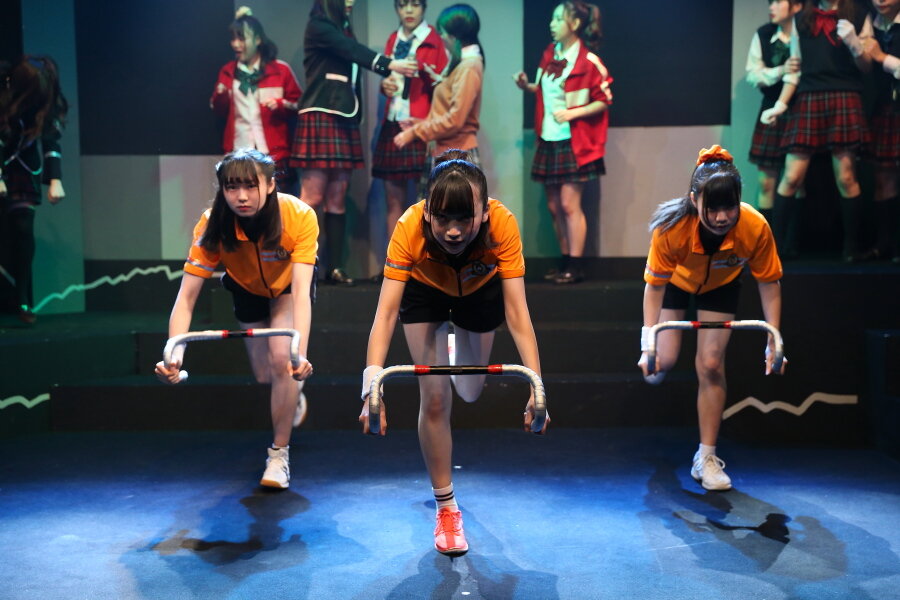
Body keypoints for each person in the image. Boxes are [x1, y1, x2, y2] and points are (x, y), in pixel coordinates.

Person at [359, 150, 547, 555]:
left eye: (465, 218)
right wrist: (370, 388)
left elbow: (518, 313)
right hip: (425, 293)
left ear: (484, 212)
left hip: (479, 293)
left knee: (470, 391)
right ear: (428, 211)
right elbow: (385, 314)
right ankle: (446, 507)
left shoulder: (502, 225)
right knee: (435, 398)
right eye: (443, 218)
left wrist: (537, 387)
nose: (454, 231)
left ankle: (452, 345)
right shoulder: (409, 227)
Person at [155, 149, 317, 490]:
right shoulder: (212, 223)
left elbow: (302, 292)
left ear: (270, 185)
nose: (241, 196)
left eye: (250, 186)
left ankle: (279, 455)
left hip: (287, 288)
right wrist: (174, 354)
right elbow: (186, 297)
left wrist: (298, 355)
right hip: (245, 289)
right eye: (232, 187)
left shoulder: (299, 215)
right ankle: (292, 394)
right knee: (264, 375)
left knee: (282, 362)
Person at [638, 145, 786, 491]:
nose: (722, 217)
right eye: (713, 208)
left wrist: (773, 338)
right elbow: (654, 287)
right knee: (662, 361)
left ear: (739, 200)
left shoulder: (754, 226)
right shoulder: (672, 228)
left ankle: (706, 457)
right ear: (694, 200)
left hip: (722, 285)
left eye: (729, 207)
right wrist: (648, 342)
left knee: (710, 363)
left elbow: (769, 283)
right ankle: (656, 362)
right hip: (675, 283)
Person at [290, 0, 418, 286]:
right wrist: (389, 64)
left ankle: (335, 268)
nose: (350, 2)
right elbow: (351, 51)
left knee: (337, 196)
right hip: (321, 112)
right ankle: (300, 268)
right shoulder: (319, 26)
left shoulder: (343, 26)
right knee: (311, 197)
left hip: (344, 115)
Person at [760, 0, 873, 261]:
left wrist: (855, 44)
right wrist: (780, 105)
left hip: (845, 95)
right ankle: (774, 250)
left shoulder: (858, 14)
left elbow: (867, 67)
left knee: (846, 177)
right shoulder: (801, 18)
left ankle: (851, 249)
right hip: (809, 96)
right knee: (791, 177)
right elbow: (795, 70)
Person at [513, 1, 612, 284]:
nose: (552, 24)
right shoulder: (550, 53)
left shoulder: (588, 60)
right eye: (553, 19)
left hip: (573, 141)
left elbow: (604, 99)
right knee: (554, 207)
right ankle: (564, 260)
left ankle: (576, 265)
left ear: (575, 24)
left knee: (569, 204)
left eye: (558, 19)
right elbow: (543, 89)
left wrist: (573, 113)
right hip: (548, 137)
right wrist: (526, 86)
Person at [372, 0, 449, 257]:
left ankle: (425, 263)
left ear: (424, 8)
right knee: (392, 199)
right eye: (403, 5)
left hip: (420, 124)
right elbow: (389, 78)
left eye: (415, 4)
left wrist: (429, 126)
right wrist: (384, 86)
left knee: (426, 200)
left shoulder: (433, 40)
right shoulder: (393, 39)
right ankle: (394, 264)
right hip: (393, 121)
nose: (408, 11)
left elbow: (442, 88)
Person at [0, 55, 67, 325]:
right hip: (4, 163)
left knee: (23, 230)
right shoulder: (4, 95)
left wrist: (55, 179)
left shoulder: (43, 102)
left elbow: (50, 140)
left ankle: (23, 299)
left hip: (24, 170)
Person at [211, 6, 303, 196]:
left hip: (274, 153)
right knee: (242, 201)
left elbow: (300, 105)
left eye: (242, 38)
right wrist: (221, 96)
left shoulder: (280, 70)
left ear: (258, 39)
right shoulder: (228, 72)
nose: (236, 44)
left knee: (278, 203)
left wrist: (281, 104)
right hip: (238, 152)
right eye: (233, 39)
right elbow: (218, 110)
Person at [393, 4, 484, 168]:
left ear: (453, 36)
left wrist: (415, 132)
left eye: (442, 33)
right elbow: (447, 110)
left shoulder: (469, 66)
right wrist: (420, 123)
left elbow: (455, 120)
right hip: (446, 150)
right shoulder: (462, 64)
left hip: (457, 154)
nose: (440, 38)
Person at [745, 0, 804, 224]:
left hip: (801, 108)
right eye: (770, 3)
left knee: (797, 180)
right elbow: (753, 74)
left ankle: (792, 239)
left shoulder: (806, 34)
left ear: (796, 6)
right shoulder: (764, 34)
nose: (771, 7)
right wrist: (780, 70)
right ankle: (766, 238)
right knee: (766, 181)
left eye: (778, 2)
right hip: (771, 105)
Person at [861, 0, 899, 261]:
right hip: (884, 108)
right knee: (882, 179)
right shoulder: (869, 25)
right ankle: (886, 244)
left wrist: (882, 57)